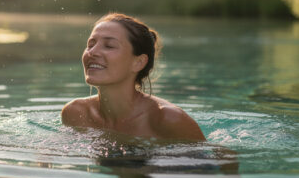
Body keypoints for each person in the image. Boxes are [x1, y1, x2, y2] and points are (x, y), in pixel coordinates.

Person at [62, 13, 205, 141]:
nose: (92, 52)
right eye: (90, 44)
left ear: (138, 62)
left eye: (109, 46)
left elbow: (214, 162)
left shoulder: (167, 119)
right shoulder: (77, 113)